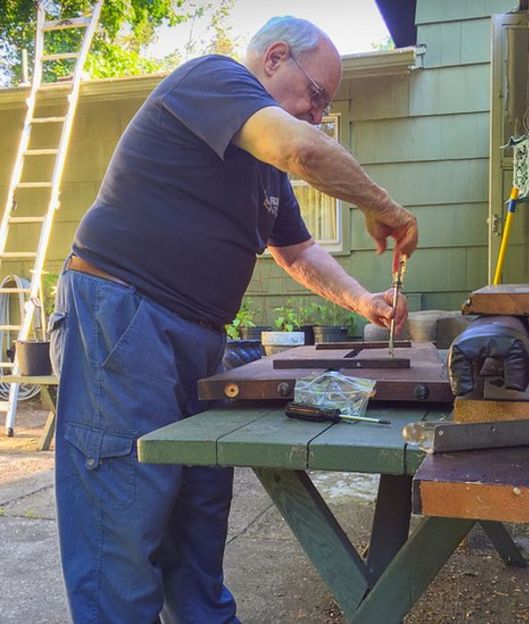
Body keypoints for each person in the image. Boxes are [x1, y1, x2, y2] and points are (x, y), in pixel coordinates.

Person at [50, 15, 418, 624]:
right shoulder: (214, 79)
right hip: (123, 319)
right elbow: (302, 148)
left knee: (197, 525)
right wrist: (387, 208)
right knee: (118, 529)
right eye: (317, 96)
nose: (319, 115)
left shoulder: (264, 170)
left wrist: (364, 302)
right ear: (274, 58)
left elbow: (297, 251)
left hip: (197, 339)